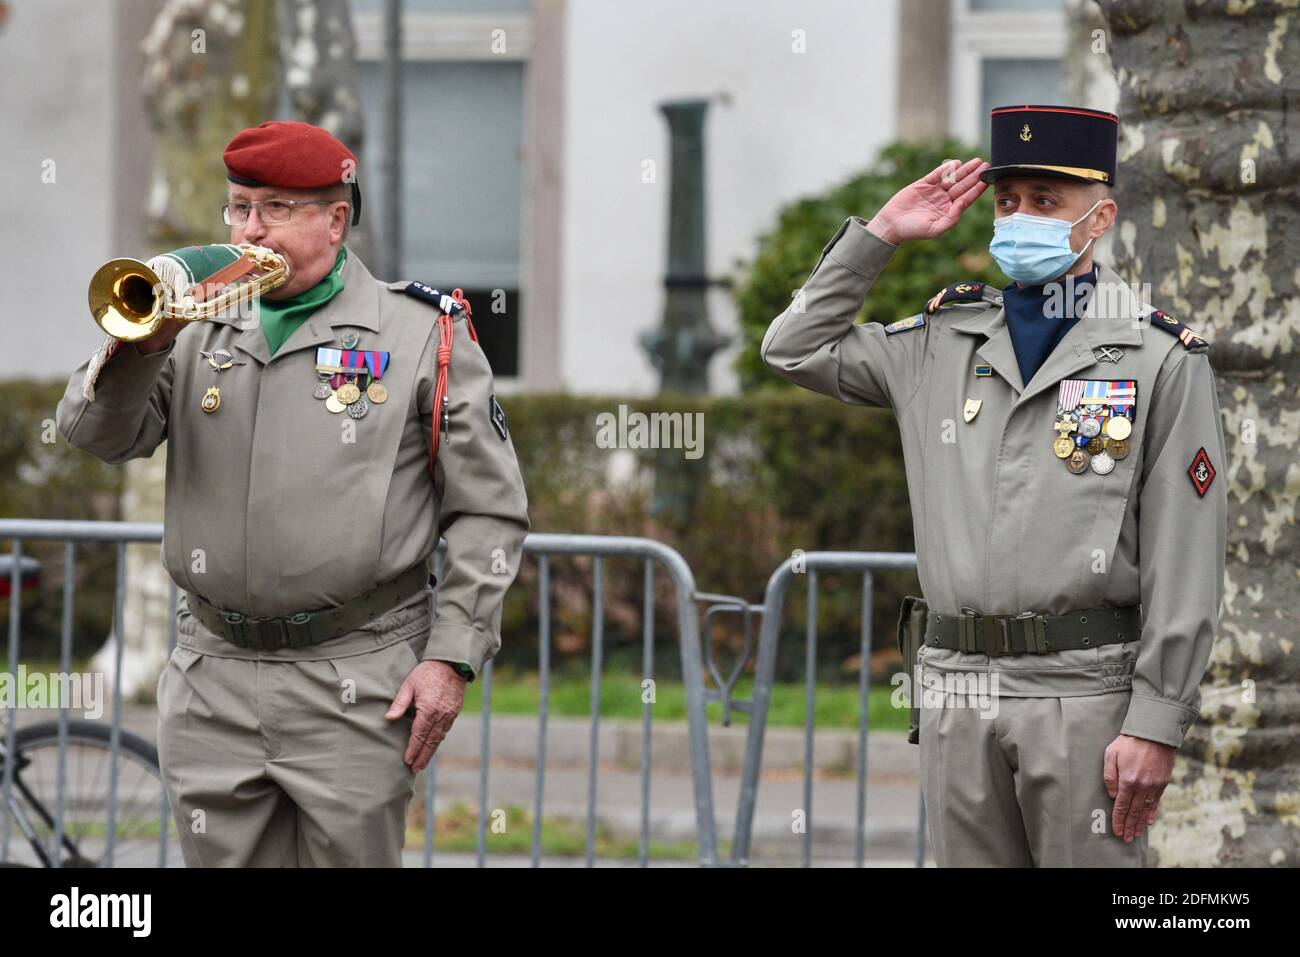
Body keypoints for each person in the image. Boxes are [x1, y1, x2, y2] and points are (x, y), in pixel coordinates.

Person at [761, 104, 1227, 866]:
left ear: (1100, 216)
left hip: (1083, 694)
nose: (1020, 218)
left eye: (1046, 201)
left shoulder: (1159, 359)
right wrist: (881, 235)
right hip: (956, 689)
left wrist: (1156, 718)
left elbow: (1188, 556)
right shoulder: (938, 345)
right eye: (1008, 201)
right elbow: (792, 348)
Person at [56, 120, 530, 867]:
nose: (251, 229)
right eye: (240, 206)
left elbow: (490, 510)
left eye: (276, 208)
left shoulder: (419, 334)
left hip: (355, 677)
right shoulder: (194, 327)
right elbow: (96, 435)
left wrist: (451, 658)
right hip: (213, 676)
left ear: (335, 219)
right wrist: (138, 348)